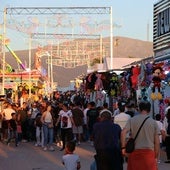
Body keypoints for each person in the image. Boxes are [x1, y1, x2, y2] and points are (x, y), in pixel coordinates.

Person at [121, 101, 160, 170]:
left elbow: (123, 132)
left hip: (135, 154)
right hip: (149, 155)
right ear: (150, 110)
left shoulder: (132, 120)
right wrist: (156, 156)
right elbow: (157, 142)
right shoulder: (154, 123)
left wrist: (123, 148)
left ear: (139, 109)